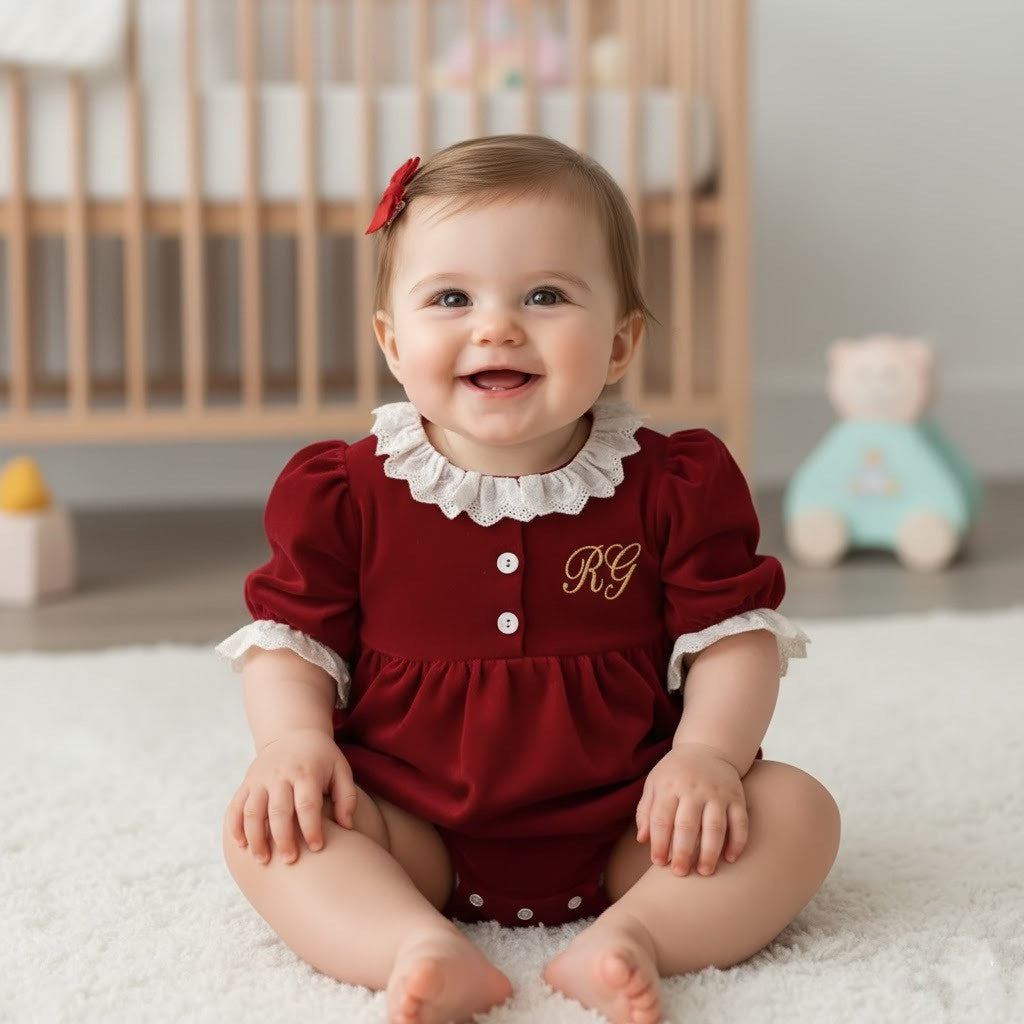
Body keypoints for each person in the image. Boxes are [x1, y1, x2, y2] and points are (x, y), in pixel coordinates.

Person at [217, 134, 840, 1024]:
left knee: (797, 811)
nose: (496, 327)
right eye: (451, 298)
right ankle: (411, 943)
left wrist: (706, 757)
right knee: (268, 831)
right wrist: (291, 744)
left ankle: (635, 938)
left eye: (545, 295)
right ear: (393, 342)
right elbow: (293, 643)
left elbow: (732, 639)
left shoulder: (672, 481)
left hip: (636, 823)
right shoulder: (347, 491)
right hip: (412, 826)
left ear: (620, 343)